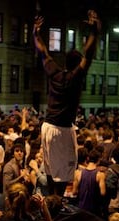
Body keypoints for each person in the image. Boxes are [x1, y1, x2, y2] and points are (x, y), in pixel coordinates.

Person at [33, 10, 101, 196]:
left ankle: (50, 203)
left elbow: (43, 52)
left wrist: (35, 33)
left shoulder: (54, 73)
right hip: (61, 130)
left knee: (50, 170)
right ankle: (56, 204)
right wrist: (94, 32)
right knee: (63, 175)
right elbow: (89, 54)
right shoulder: (75, 78)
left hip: (47, 127)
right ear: (78, 64)